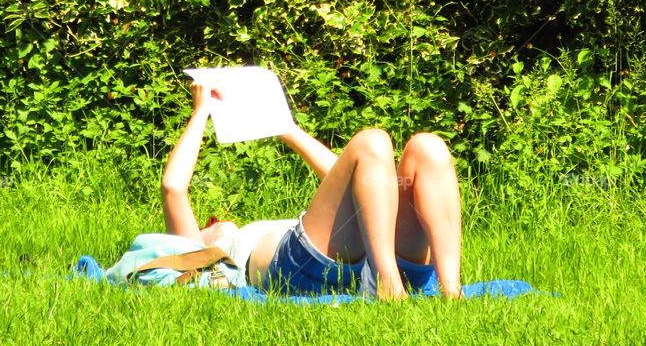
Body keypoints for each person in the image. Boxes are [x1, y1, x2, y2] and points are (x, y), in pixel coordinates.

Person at [161, 80, 463, 300]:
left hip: (359, 263)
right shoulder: (193, 252)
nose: (215, 222)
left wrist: (285, 128)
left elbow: (354, 178)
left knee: (428, 148)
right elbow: (173, 187)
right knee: (371, 142)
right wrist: (201, 112)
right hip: (299, 270)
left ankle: (451, 290)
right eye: (209, 224)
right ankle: (387, 285)